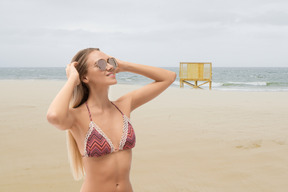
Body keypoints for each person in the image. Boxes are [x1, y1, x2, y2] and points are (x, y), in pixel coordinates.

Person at [46, 48, 176, 192]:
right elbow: (53, 116)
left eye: (110, 62)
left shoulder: (124, 105)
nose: (109, 67)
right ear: (84, 78)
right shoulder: (77, 117)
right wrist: (72, 79)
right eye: (100, 64)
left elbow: (169, 77)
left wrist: (123, 66)